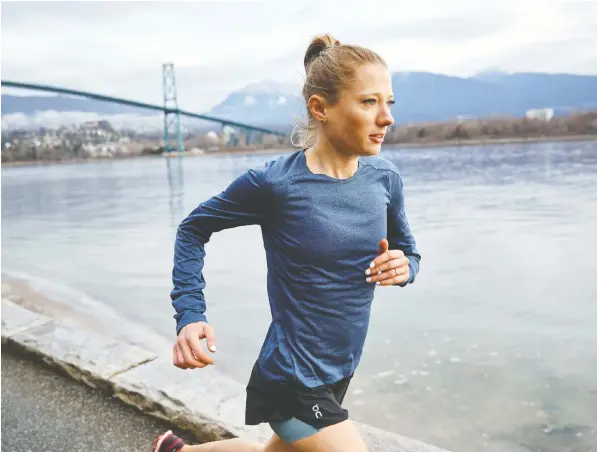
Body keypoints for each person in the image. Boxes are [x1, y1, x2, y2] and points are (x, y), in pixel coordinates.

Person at [153, 33, 421, 452]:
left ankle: (175, 451)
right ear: (321, 108)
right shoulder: (276, 184)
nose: (386, 118)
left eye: (389, 103)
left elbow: (410, 252)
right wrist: (189, 314)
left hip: (339, 370)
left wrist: (405, 268)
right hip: (290, 377)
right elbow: (193, 229)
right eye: (369, 102)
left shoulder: (384, 179)